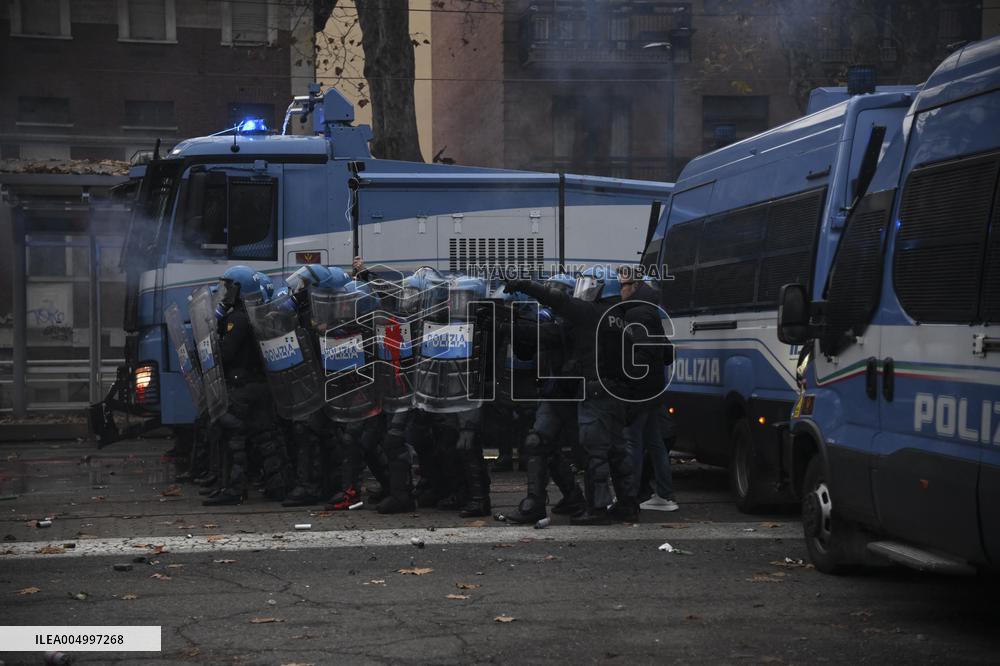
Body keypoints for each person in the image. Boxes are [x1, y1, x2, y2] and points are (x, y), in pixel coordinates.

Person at [505, 266, 634, 525]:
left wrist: (525, 285)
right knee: (616, 451)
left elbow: (560, 302)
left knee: (595, 451)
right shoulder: (619, 317)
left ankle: (598, 508)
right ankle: (627, 505)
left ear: (602, 289)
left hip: (594, 391)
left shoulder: (591, 313)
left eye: (589, 285)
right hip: (609, 391)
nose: (582, 291)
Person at [505, 275, 586, 524]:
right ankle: (542, 502)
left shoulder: (576, 319)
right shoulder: (548, 319)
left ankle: (603, 502)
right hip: (554, 393)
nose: (552, 296)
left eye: (558, 291)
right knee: (538, 443)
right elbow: (527, 351)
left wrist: (512, 327)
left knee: (588, 452)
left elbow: (550, 335)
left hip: (577, 395)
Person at [202, 266, 284, 506]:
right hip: (259, 385)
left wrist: (213, 341)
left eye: (228, 287)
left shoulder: (237, 317)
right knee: (265, 438)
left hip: (242, 387)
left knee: (232, 437)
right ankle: (276, 486)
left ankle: (233, 489)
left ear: (240, 290)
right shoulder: (255, 313)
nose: (224, 292)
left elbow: (226, 354)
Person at [616, 268, 678, 514]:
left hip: (641, 389)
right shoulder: (650, 310)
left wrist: (630, 376)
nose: (619, 290)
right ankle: (664, 494)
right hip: (654, 387)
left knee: (633, 440)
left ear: (634, 286)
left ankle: (628, 496)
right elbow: (664, 351)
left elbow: (642, 353)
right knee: (654, 442)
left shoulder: (636, 313)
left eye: (623, 286)